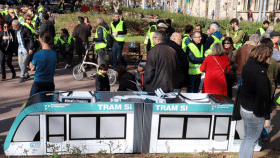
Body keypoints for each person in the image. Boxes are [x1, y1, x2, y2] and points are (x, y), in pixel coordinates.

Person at [238, 45, 273, 158]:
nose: (270, 60)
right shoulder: (259, 72)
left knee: (247, 138)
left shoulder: (248, 65)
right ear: (264, 56)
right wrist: (267, 117)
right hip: (254, 111)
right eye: (269, 57)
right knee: (251, 141)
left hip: (245, 107)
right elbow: (264, 96)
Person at [29, 32, 57, 96]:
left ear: (41, 40)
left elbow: (32, 68)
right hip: (50, 83)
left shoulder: (37, 54)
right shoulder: (54, 54)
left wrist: (30, 64)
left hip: (38, 83)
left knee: (33, 102)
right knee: (49, 103)